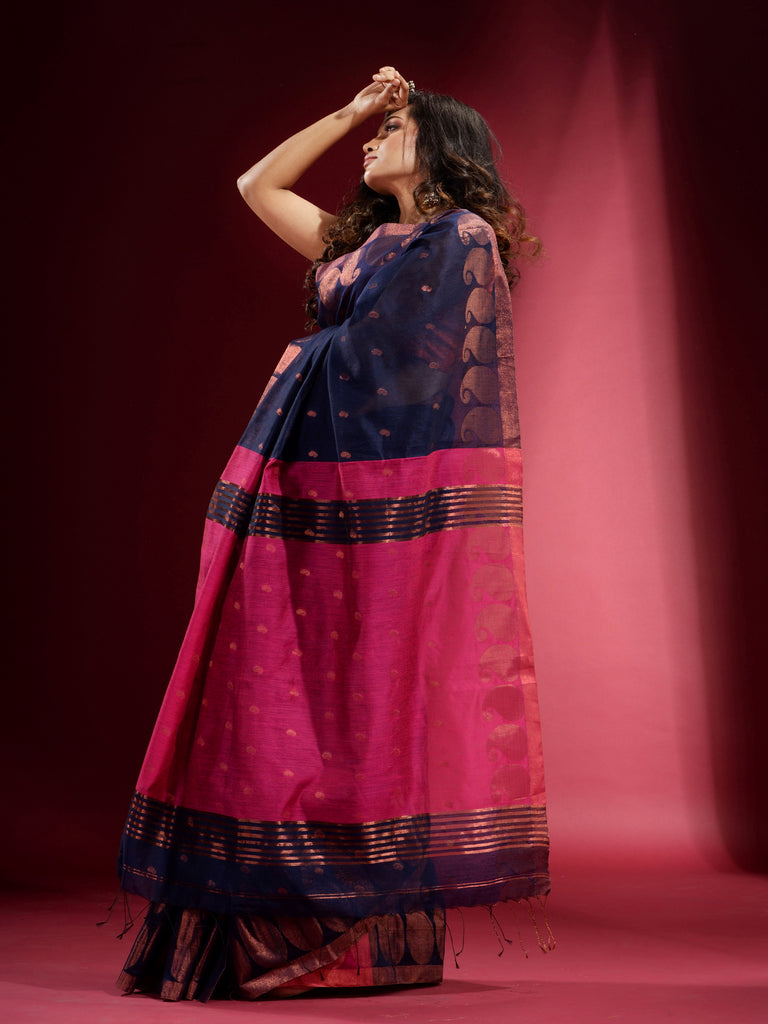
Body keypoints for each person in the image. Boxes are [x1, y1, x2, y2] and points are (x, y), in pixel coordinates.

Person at [116, 66, 551, 1001]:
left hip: (375, 509)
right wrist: (351, 111)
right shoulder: (356, 244)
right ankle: (258, 919)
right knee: (264, 684)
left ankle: (350, 931)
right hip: (288, 485)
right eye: (371, 131)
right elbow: (257, 186)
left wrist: (311, 352)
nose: (371, 142)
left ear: (442, 146)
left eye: (393, 129)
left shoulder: (460, 237)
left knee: (355, 694)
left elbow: (414, 374)